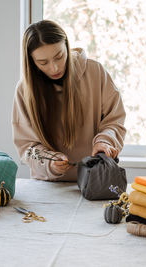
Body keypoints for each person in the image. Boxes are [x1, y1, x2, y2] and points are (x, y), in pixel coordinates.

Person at [12, 20, 126, 181]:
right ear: (31, 62)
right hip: (48, 187)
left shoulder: (96, 72)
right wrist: (49, 163)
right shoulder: (24, 90)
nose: (54, 68)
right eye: (43, 62)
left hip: (96, 181)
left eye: (59, 56)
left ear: (67, 45)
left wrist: (104, 142)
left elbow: (114, 121)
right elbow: (27, 147)